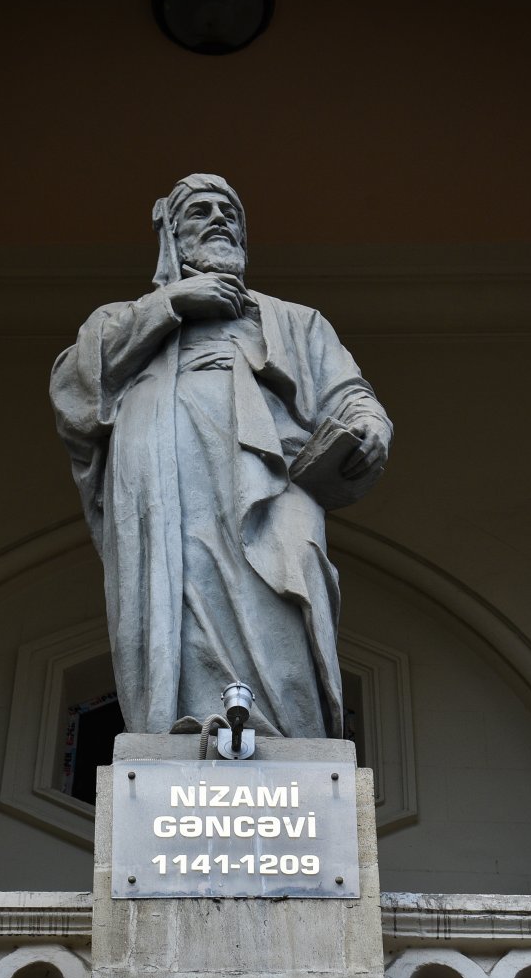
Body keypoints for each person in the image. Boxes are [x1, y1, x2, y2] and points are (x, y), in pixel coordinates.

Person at [50, 174, 392, 738]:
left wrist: (372, 424)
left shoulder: (295, 320)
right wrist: (170, 305)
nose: (218, 219)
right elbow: (74, 391)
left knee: (293, 577)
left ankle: (291, 741)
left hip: (275, 480)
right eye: (200, 211)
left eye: (229, 213)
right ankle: (182, 728)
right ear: (171, 235)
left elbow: (349, 393)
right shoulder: (121, 318)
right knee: (180, 606)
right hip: (169, 487)